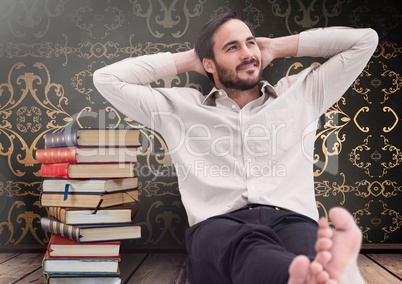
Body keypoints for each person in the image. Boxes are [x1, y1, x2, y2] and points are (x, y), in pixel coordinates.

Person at [93, 10, 378, 284]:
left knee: (308, 248)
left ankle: (312, 272)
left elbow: (365, 40)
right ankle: (300, 276)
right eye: (232, 48)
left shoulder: (303, 92)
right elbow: (106, 79)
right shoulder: (177, 108)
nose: (247, 54)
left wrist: (276, 47)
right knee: (246, 246)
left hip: (293, 221)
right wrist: (189, 59)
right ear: (208, 64)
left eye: (250, 42)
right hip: (218, 227)